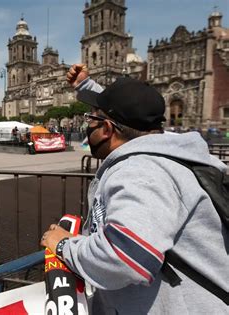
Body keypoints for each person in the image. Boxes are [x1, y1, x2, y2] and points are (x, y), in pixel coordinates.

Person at [41, 64, 228, 314]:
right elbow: (127, 110)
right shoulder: (164, 147)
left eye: (90, 119)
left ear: (107, 129)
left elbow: (124, 259)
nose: (88, 126)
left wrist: (64, 245)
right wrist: (86, 86)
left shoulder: (142, 171)